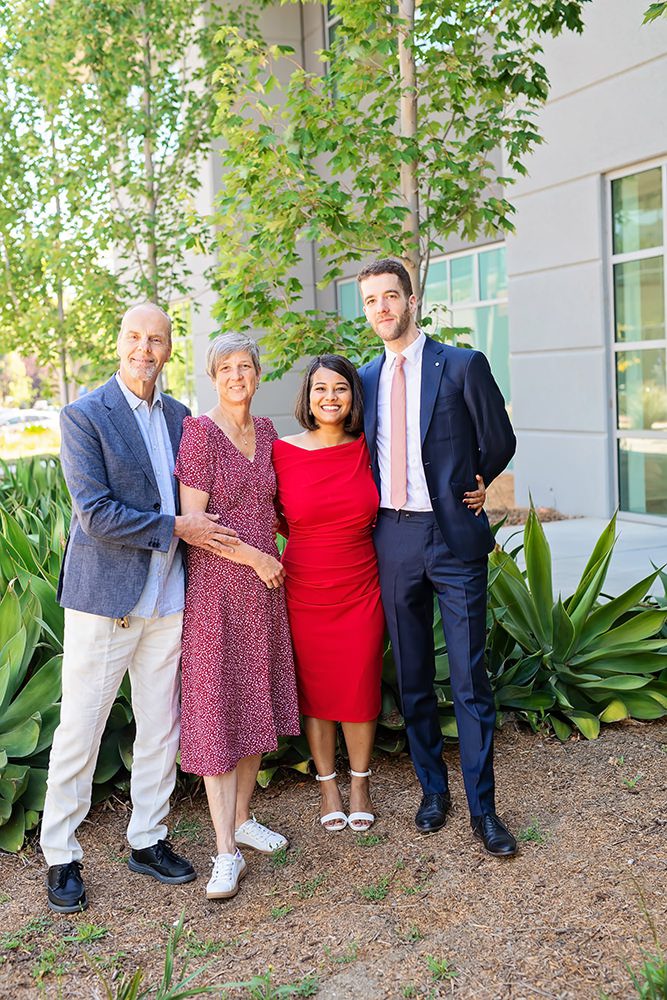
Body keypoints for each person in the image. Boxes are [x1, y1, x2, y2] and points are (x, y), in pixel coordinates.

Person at [41, 303, 239, 914]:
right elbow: (96, 514)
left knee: (161, 727)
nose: (144, 349)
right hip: (108, 601)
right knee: (82, 726)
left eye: (156, 339)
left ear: (169, 348)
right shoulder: (84, 415)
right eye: (134, 336)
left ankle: (147, 838)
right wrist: (178, 525)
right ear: (118, 341)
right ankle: (61, 854)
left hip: (168, 599)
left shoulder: (181, 417)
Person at [357, 258, 518, 857]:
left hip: (454, 538)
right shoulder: (366, 379)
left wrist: (481, 474)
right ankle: (433, 791)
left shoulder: (461, 365)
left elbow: (499, 436)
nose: (382, 309)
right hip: (393, 539)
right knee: (415, 677)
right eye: (371, 301)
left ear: (411, 298)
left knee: (471, 678)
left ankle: (484, 809)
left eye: (390, 297)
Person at [175, 332, 300, 900]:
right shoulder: (199, 433)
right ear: (212, 375)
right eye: (225, 367)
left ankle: (244, 819)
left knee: (254, 706)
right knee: (219, 711)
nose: (235, 376)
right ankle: (225, 851)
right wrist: (254, 555)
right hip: (219, 594)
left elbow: (282, 507)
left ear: (257, 374)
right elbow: (194, 524)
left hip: (264, 594)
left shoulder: (269, 432)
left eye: (245, 366)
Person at [272, 355, 385, 833]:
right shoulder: (282, 452)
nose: (330, 397)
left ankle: (359, 783)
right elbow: (272, 515)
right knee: (317, 692)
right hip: (305, 585)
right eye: (320, 389)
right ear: (307, 397)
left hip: (361, 581)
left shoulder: (369, 449)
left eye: (340, 388)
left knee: (359, 684)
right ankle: (328, 786)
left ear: (352, 397)